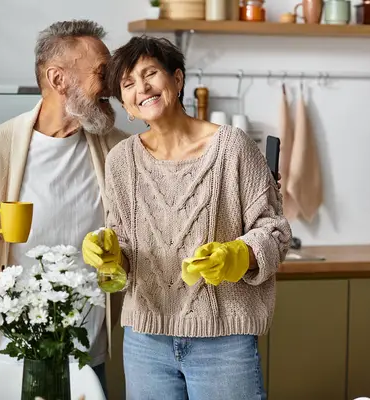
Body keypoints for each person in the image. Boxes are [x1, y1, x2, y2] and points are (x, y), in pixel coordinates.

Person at [82, 36, 292, 400]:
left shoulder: (233, 146)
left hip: (223, 340)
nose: (142, 88)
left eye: (151, 74)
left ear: (177, 81)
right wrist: (109, 254)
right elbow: (125, 243)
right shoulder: (121, 160)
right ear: (126, 105)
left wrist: (239, 255)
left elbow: (274, 230)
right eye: (128, 84)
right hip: (146, 340)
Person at [0, 19, 127, 395]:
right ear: (58, 79)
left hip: (85, 352)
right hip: (9, 353)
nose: (114, 85)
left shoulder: (118, 150)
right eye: (103, 73)